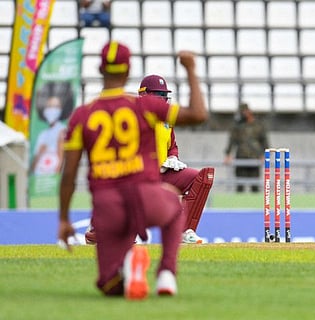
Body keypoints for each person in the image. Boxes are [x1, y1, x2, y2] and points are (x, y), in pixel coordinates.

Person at [57, 41, 208, 300]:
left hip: (107, 206)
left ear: (100, 69)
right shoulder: (145, 107)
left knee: (109, 286)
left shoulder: (82, 115)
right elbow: (197, 114)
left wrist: (63, 218)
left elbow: (68, 175)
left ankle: (128, 269)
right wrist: (191, 69)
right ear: (128, 71)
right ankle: (166, 273)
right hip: (144, 195)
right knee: (172, 206)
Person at [85, 74, 214, 244]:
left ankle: (185, 231)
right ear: (144, 94)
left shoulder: (166, 120)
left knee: (201, 177)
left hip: (161, 173)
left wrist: (173, 158)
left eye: (165, 97)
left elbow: (172, 145)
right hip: (135, 174)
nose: (163, 100)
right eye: (158, 96)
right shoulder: (131, 116)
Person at [224, 103, 269, 192]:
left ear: (248, 111)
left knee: (255, 186)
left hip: (254, 158)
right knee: (240, 186)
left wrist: (265, 155)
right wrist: (228, 155)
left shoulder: (258, 125)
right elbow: (232, 141)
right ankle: (238, 205)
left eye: (243, 112)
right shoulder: (237, 126)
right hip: (241, 157)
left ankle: (256, 205)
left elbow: (264, 141)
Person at [30, 96, 65, 175]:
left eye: (56, 106)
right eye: (50, 106)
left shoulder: (62, 130)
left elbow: (61, 158)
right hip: (39, 177)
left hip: (51, 178)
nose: (52, 110)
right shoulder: (42, 134)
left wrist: (55, 177)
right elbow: (34, 162)